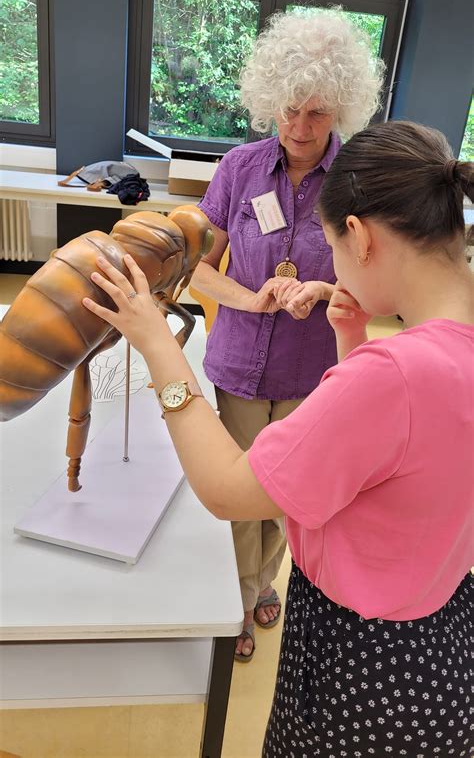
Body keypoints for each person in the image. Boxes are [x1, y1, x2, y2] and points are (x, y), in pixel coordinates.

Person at [83, 119, 474, 757]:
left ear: (360, 237)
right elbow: (400, 469)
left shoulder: (393, 378)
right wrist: (351, 341)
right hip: (442, 644)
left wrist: (158, 342)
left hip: (364, 670)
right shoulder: (440, 356)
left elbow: (228, 489)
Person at [189, 8, 384, 660]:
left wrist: (326, 292)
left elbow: (378, 288)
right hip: (240, 363)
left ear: (342, 112)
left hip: (311, 370)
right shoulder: (239, 169)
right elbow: (195, 269)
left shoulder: (359, 183)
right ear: (270, 100)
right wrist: (254, 299)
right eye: (290, 110)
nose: (300, 129)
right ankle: (241, 601)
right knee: (243, 491)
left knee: (290, 496)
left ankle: (262, 579)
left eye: (318, 115)